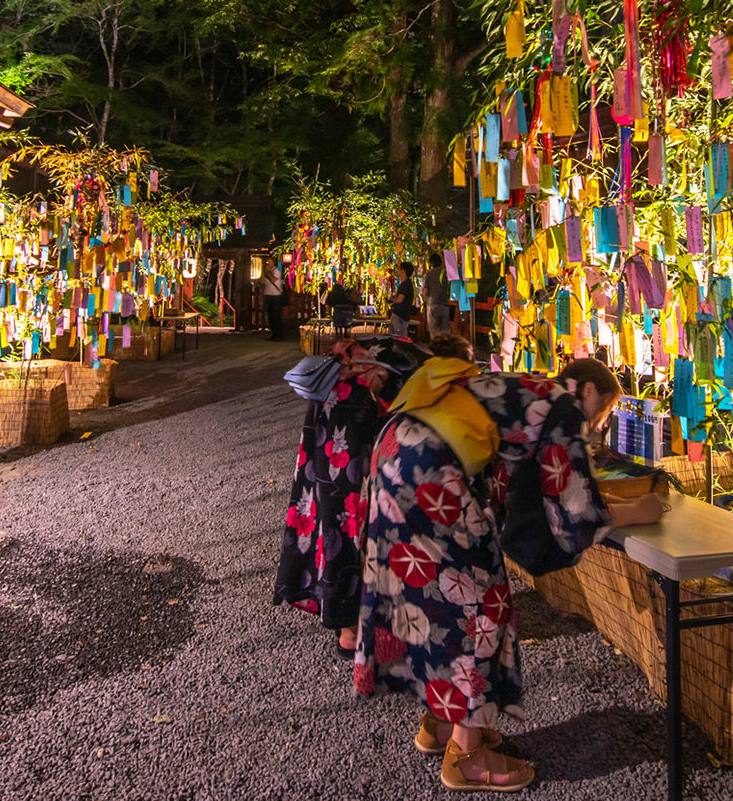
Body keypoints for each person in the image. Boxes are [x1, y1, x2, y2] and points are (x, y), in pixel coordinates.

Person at [352, 356, 641, 792]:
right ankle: (466, 754)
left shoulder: (523, 391)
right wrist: (633, 512)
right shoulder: (562, 403)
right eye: (599, 414)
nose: (595, 426)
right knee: (480, 602)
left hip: (394, 451)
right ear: (586, 390)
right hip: (430, 466)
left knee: (428, 595)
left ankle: (441, 723)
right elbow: (572, 498)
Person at [274, 337, 425, 650]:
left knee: (346, 532)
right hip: (346, 467)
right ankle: (351, 626)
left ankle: (356, 625)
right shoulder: (343, 385)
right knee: (346, 531)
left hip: (351, 467)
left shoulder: (336, 381)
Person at [388, 262, 418, 341]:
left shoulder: (405, 285)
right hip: (399, 315)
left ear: (403, 271)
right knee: (394, 338)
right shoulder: (405, 284)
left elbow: (399, 300)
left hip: (400, 316)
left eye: (399, 269)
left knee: (400, 339)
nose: (397, 271)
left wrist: (391, 299)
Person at [260, 257, 286, 341]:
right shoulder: (266, 272)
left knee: (276, 316)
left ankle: (279, 335)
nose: (268, 263)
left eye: (270, 262)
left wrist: (267, 272)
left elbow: (273, 279)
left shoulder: (277, 270)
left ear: (273, 263)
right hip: (269, 295)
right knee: (270, 317)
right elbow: (263, 283)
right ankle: (274, 334)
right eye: (267, 262)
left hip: (276, 296)